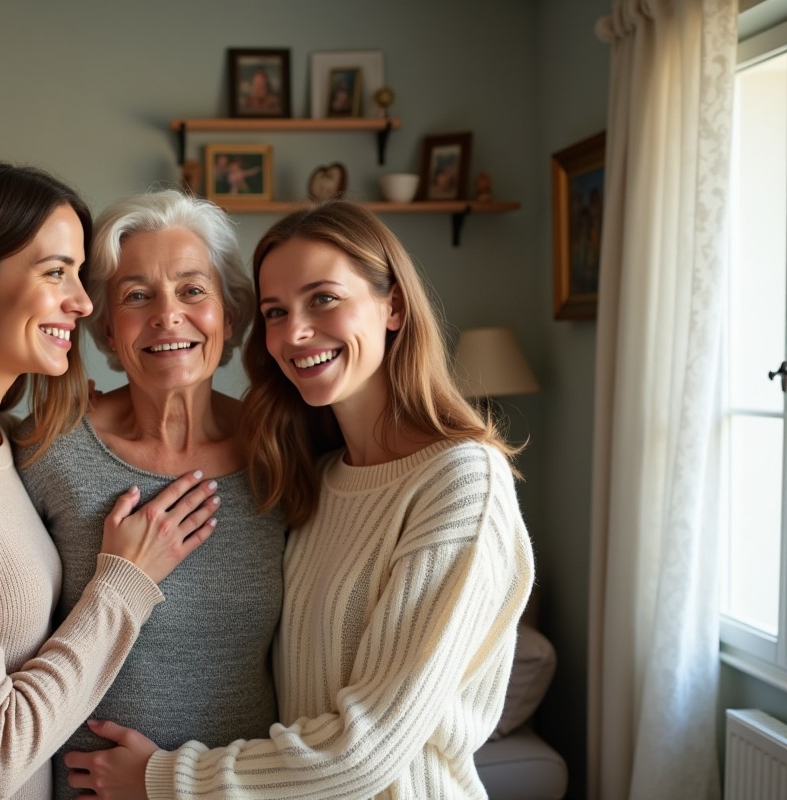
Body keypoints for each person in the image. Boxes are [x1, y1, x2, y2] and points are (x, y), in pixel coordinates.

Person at [0, 189, 286, 800]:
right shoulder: (36, 450)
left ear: (232, 311)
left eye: (193, 289)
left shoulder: (287, 452)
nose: (167, 315)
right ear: (108, 328)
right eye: (134, 295)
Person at [64, 201, 535, 799]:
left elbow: (367, 749)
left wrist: (164, 778)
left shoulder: (461, 480)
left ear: (393, 306)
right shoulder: (314, 472)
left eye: (324, 299)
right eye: (276, 312)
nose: (294, 333)